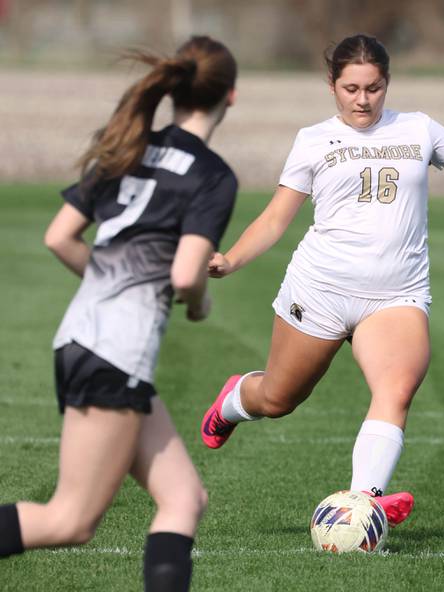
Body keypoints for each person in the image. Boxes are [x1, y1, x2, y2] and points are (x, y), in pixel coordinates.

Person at [199, 33, 444, 526]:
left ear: (387, 83)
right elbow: (274, 220)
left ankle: (362, 504)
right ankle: (232, 402)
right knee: (277, 398)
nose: (363, 99)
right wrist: (230, 260)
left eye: (373, 88)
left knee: (396, 389)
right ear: (332, 85)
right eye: (351, 88)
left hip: (396, 296)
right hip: (320, 290)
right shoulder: (313, 140)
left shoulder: (418, 129)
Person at [0, 36, 238, 591]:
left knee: (184, 498)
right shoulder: (212, 175)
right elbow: (186, 275)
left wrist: (112, 281)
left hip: (81, 339)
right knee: (70, 520)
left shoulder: (128, 144)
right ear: (230, 95)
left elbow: (59, 237)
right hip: (115, 352)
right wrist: (200, 303)